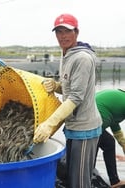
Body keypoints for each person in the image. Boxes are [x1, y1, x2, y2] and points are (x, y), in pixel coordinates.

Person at [33, 13, 102, 188]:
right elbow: (71, 87)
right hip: (71, 127)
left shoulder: (82, 58)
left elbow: (76, 97)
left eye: (67, 31)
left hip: (85, 129)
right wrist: (56, 86)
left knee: (80, 182)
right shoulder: (66, 54)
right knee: (72, 178)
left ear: (76, 32)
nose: (62, 36)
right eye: (59, 32)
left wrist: (49, 124)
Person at [95, 88, 125, 188]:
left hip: (87, 117)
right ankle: (88, 176)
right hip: (91, 121)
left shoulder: (119, 98)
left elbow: (115, 125)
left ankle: (114, 181)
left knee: (109, 143)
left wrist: (123, 143)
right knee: (93, 148)